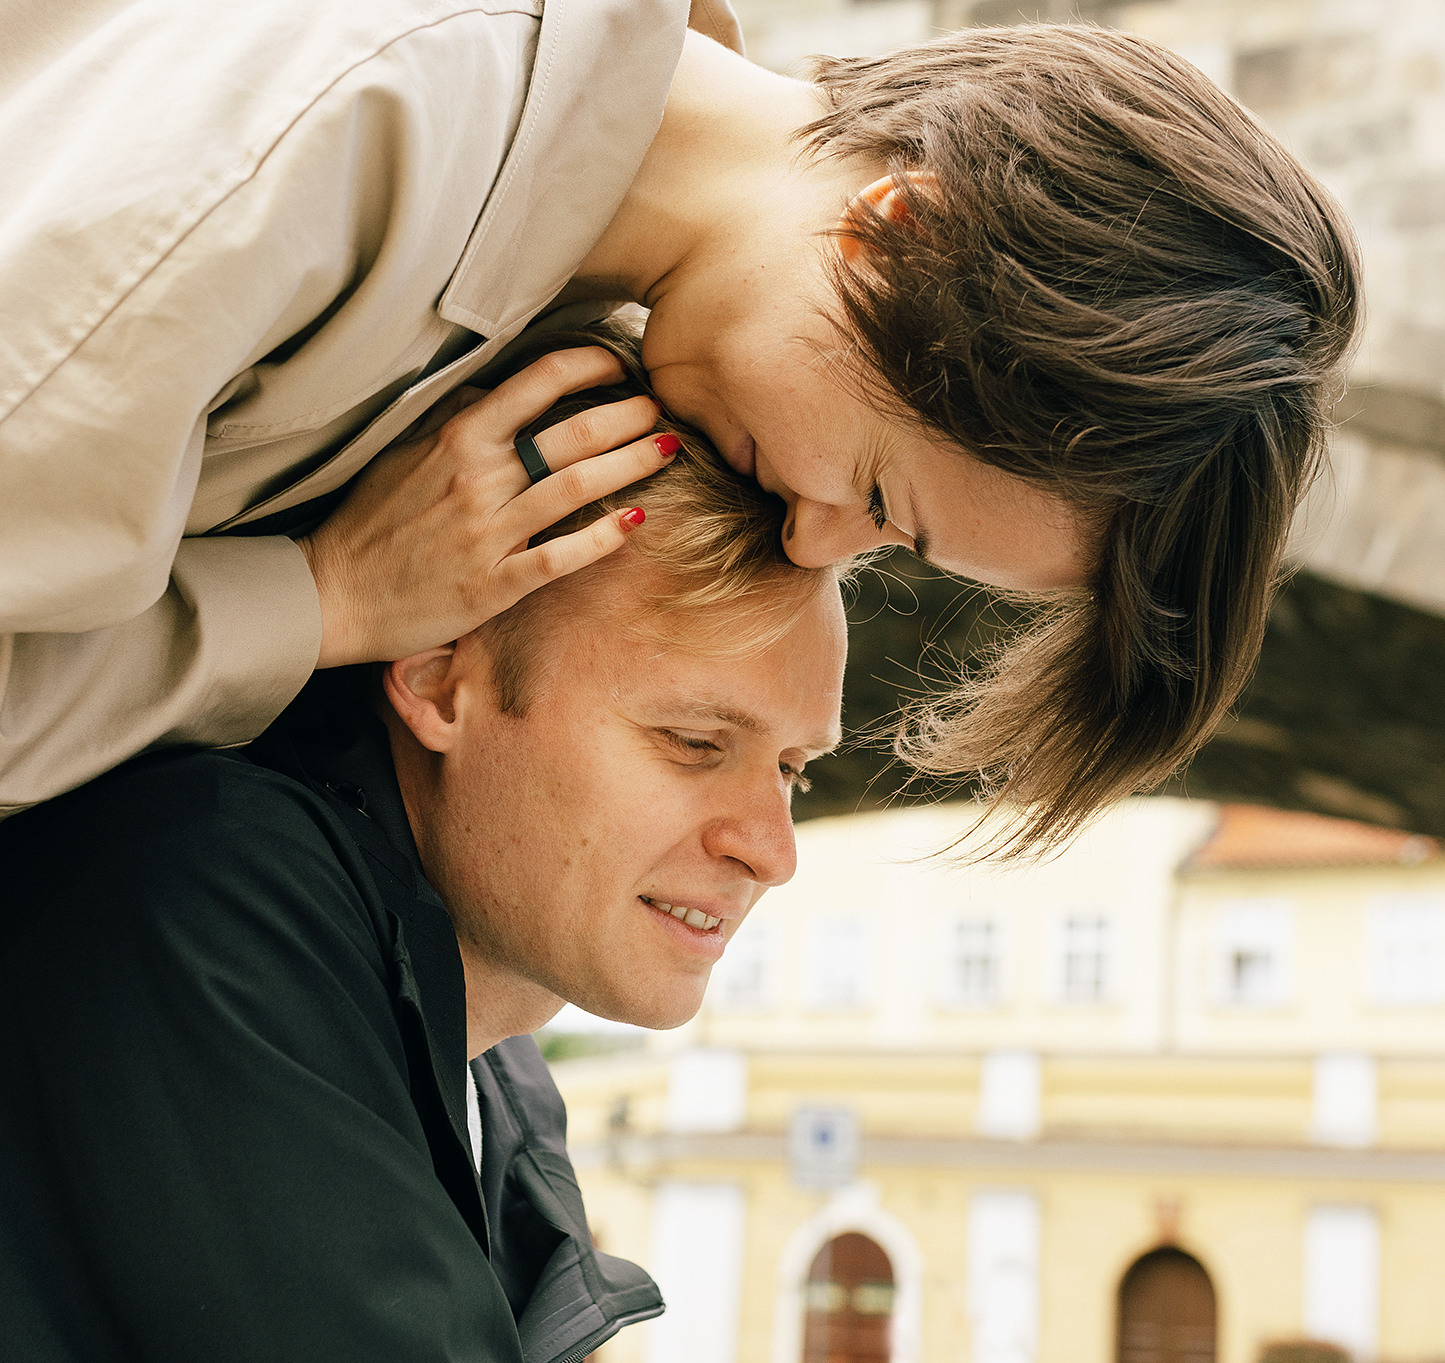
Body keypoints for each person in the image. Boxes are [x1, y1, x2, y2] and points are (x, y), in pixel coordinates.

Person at [0, 373, 1089, 1363]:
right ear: (442, 673)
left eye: (790, 765)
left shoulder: (492, 1090)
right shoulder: (182, 913)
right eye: (693, 740)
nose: (769, 842)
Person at [2, 2, 1358, 842]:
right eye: (882, 495)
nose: (816, 542)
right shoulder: (339, 133)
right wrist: (321, 602)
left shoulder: (531, 268)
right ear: (896, 235)